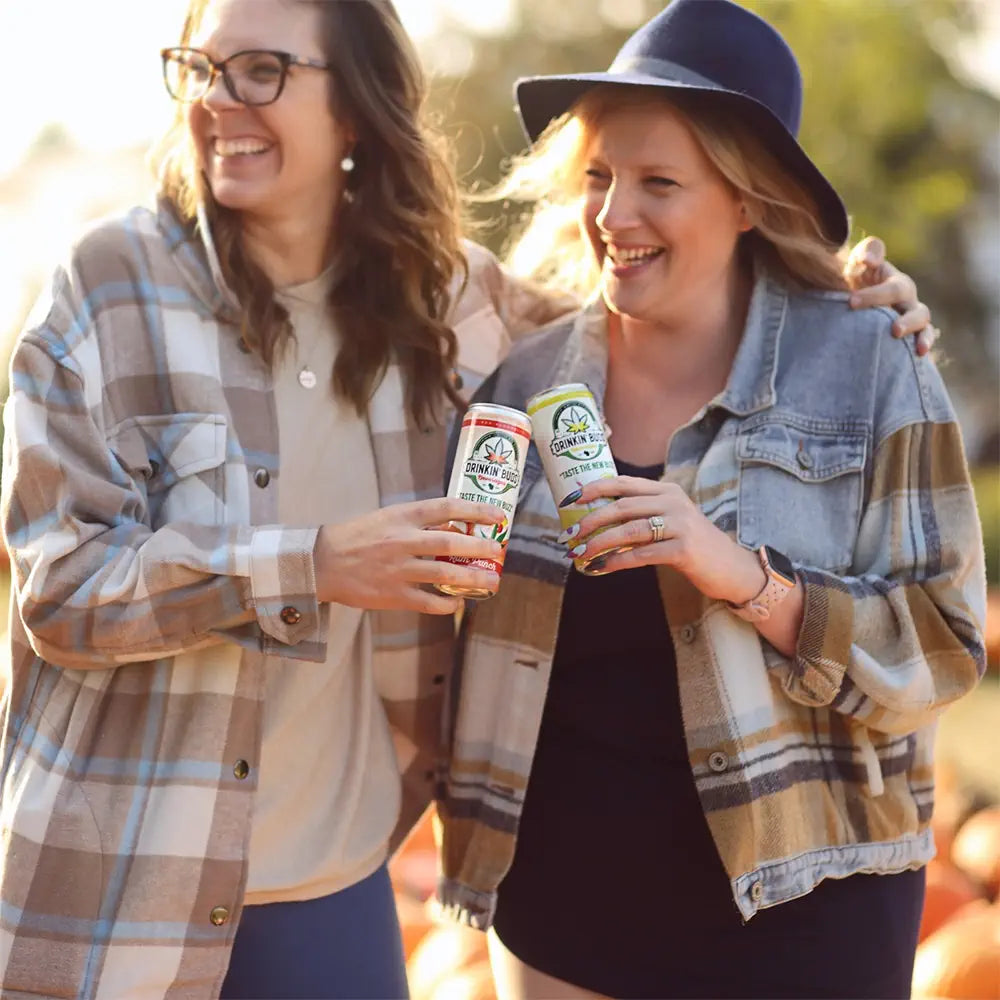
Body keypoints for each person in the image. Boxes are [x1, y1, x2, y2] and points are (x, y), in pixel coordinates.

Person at [0, 0, 936, 997]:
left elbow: (656, 305)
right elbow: (59, 587)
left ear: (355, 110)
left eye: (262, 70)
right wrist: (313, 562)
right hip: (112, 885)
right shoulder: (106, 291)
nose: (218, 102)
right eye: (199, 68)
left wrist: (840, 295)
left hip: (335, 889)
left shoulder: (447, 302)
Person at [434, 3, 988, 999]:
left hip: (806, 910)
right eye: (598, 177)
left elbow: (942, 647)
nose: (613, 215)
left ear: (746, 200)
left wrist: (735, 573)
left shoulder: (867, 368)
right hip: (562, 916)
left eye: (659, 182)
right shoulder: (517, 381)